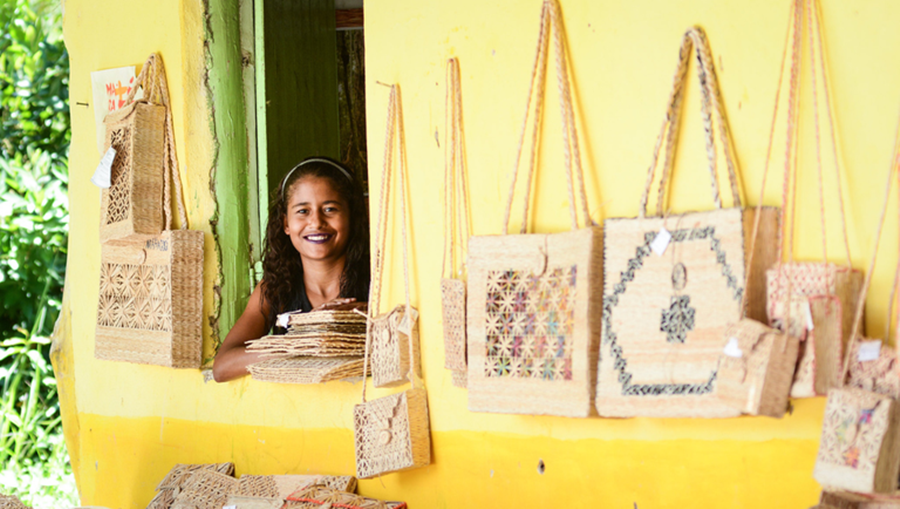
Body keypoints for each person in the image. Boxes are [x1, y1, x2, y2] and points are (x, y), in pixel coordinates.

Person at [212, 157, 370, 382]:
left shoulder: (379, 282)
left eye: (330, 209)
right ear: (286, 224)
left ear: (352, 218)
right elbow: (223, 367)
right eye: (303, 211)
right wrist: (301, 339)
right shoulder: (274, 289)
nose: (316, 222)